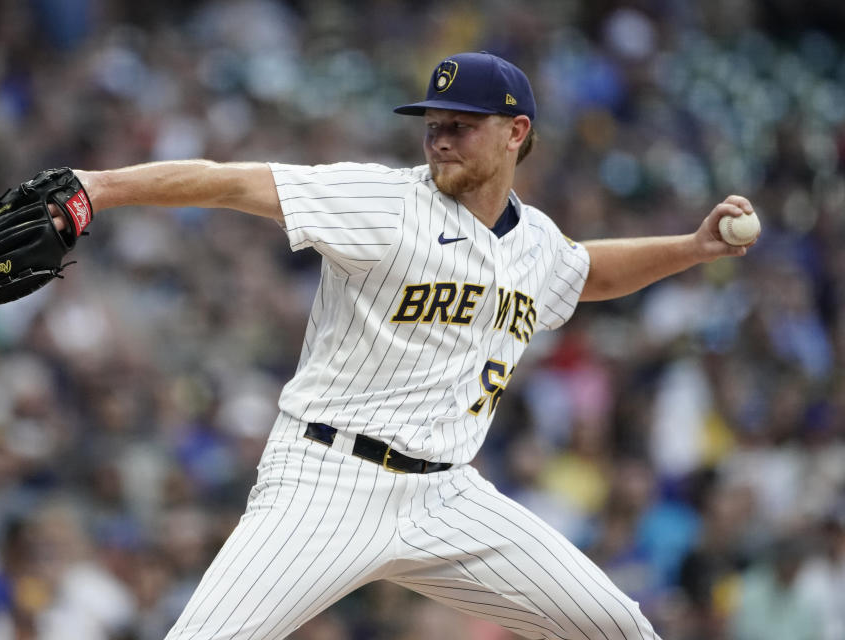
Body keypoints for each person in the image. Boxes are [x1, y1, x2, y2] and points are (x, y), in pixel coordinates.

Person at [50, 52, 756, 639]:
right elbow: (233, 181)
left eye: (461, 126)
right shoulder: (384, 203)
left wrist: (692, 248)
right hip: (327, 481)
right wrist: (97, 188)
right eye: (432, 125)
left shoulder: (537, 241)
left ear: (516, 132)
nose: (440, 138)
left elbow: (588, 271)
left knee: (620, 628)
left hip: (447, 495)